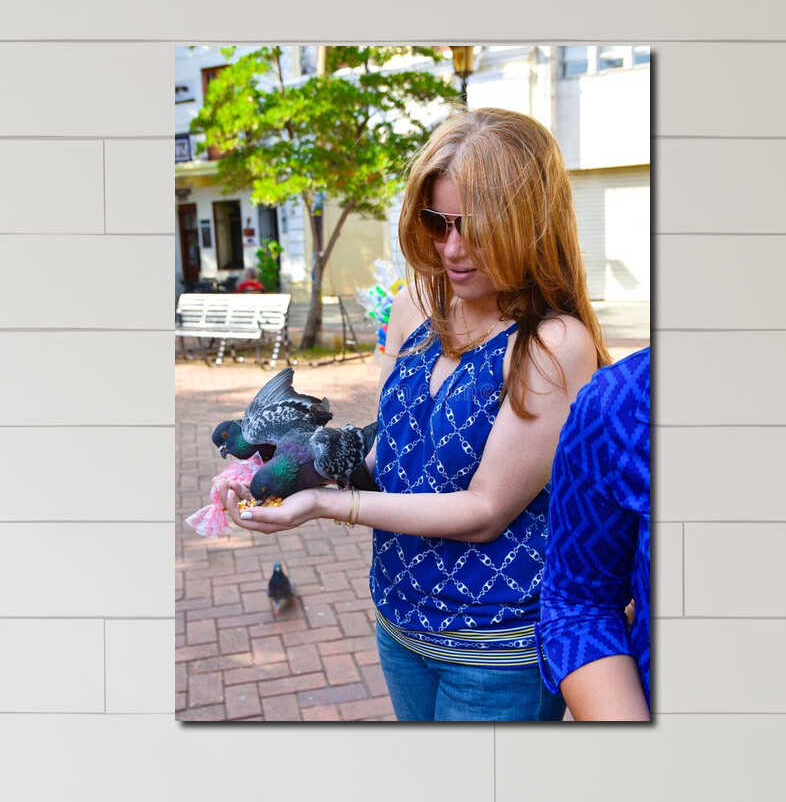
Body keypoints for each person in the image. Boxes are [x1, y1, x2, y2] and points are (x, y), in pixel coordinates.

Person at [222, 108, 608, 720]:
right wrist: (291, 470)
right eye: (436, 221)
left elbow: (483, 511)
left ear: (530, 225)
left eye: (475, 228)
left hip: (496, 649)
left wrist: (326, 505)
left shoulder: (553, 343)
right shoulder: (415, 306)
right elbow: (391, 454)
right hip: (400, 623)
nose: (451, 249)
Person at [538, 346, 651, 720]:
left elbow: (487, 506)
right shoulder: (626, 401)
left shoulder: (558, 342)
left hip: (492, 629)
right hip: (412, 617)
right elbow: (582, 602)